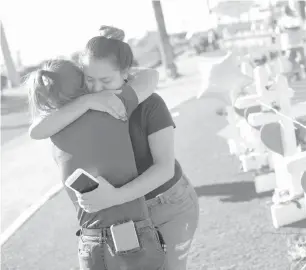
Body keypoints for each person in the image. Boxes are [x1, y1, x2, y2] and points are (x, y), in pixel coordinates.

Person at [29, 26, 200, 270]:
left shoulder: (150, 103)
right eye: (89, 79)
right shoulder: (78, 109)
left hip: (166, 204)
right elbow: (37, 129)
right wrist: (88, 100)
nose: (97, 88)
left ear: (126, 73)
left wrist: (115, 197)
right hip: (124, 215)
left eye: (106, 79)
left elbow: (164, 169)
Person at [276, 5, 306, 79]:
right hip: (288, 44)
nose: (285, 12)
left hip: (298, 42)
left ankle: (304, 71)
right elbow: (279, 31)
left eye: (286, 10)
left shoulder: (296, 18)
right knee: (290, 60)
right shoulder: (282, 19)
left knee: (301, 60)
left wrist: (287, 28)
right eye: (284, 10)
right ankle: (296, 74)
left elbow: (299, 27)